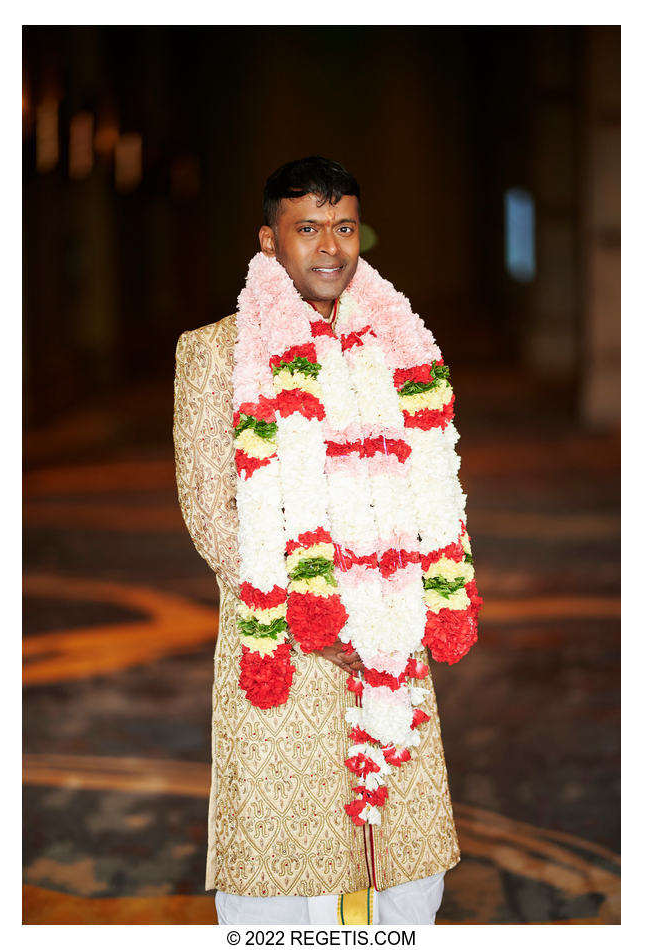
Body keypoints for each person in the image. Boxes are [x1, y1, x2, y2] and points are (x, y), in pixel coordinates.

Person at [173, 156, 482, 925]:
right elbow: (210, 509)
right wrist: (319, 614)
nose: (329, 248)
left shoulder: (395, 344)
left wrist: (387, 607)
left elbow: (427, 485)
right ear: (268, 241)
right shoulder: (214, 351)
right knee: (283, 859)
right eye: (306, 229)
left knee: (401, 863)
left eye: (342, 227)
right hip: (279, 628)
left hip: (388, 630)